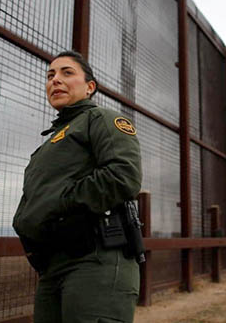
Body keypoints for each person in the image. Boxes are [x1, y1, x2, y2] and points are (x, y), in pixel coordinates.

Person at [12, 50, 142, 323]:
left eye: (66, 73)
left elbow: (124, 175)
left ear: (89, 87)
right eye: (50, 75)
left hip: (96, 260)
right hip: (53, 265)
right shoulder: (48, 144)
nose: (55, 80)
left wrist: (63, 206)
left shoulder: (101, 119)